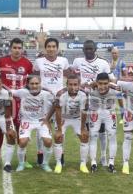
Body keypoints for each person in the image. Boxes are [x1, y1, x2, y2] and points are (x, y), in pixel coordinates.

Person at [71, 40, 115, 167]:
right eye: (86, 49)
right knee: (89, 131)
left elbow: (112, 80)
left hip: (98, 100)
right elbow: (72, 76)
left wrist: (94, 84)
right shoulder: (77, 61)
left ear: (95, 49)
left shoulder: (103, 63)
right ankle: (90, 158)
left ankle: (103, 157)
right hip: (83, 101)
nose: (88, 51)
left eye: (91, 48)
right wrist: (79, 84)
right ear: (83, 50)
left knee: (102, 131)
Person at [0, 38, 33, 168]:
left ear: (22, 49)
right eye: (14, 47)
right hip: (4, 102)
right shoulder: (2, 61)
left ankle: (23, 159)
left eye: (19, 48)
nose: (17, 50)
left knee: (22, 129)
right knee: (1, 130)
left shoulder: (27, 63)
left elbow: (32, 81)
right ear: (10, 48)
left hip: (21, 103)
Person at [33, 37, 70, 165]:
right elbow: (34, 79)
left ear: (57, 48)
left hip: (60, 97)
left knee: (60, 126)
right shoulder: (38, 62)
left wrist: (64, 90)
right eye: (49, 46)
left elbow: (70, 78)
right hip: (43, 97)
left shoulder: (63, 61)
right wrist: (41, 89)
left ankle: (61, 154)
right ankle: (40, 152)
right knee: (42, 124)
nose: (51, 49)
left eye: (54, 46)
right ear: (45, 48)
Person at [12, 76, 54, 172]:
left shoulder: (46, 94)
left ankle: (45, 164)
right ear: (27, 84)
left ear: (40, 84)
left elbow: (57, 103)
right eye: (32, 83)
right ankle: (21, 163)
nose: (34, 86)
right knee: (22, 142)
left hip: (41, 121)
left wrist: (48, 118)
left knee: (48, 141)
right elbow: (9, 92)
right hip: (26, 121)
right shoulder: (22, 92)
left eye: (36, 83)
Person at [53, 74, 89, 174]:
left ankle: (83, 164)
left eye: (75, 84)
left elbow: (84, 112)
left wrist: (82, 128)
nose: (73, 87)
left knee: (84, 136)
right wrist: (59, 129)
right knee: (58, 137)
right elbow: (58, 112)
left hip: (77, 118)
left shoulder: (84, 94)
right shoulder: (60, 94)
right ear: (66, 84)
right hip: (64, 118)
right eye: (70, 84)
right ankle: (58, 163)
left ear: (79, 85)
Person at [88, 73, 120, 173]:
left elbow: (126, 87)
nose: (102, 86)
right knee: (93, 136)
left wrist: (112, 84)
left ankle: (111, 163)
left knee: (112, 136)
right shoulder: (90, 88)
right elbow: (82, 86)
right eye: (100, 83)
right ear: (96, 83)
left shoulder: (115, 88)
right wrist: (92, 84)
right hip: (95, 112)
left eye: (105, 83)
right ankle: (93, 163)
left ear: (109, 83)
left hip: (109, 113)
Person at [110, 47, 127, 124]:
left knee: (120, 103)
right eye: (113, 53)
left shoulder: (122, 63)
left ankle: (123, 118)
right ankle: (112, 119)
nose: (114, 54)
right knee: (110, 103)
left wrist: (119, 80)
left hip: (118, 87)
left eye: (115, 53)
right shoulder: (108, 62)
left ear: (118, 53)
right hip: (110, 86)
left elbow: (125, 75)